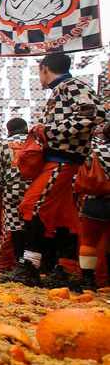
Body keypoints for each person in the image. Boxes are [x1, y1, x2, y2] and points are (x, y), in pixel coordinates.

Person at [11, 52, 105, 287]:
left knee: (32, 205)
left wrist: (49, 130)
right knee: (66, 218)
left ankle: (30, 266)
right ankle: (66, 269)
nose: (39, 77)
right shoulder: (67, 88)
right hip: (65, 159)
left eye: (38, 72)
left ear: (44, 68)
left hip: (61, 160)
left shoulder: (70, 86)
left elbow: (96, 113)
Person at [0, 117, 30, 270]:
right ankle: (37, 265)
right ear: (26, 127)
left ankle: (20, 262)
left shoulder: (1, 144)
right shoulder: (37, 143)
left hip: (12, 191)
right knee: (35, 226)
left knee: (16, 227)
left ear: (9, 130)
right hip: (36, 191)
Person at [75, 123, 110, 291]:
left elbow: (80, 175)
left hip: (94, 201)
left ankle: (88, 280)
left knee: (89, 241)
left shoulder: (94, 151)